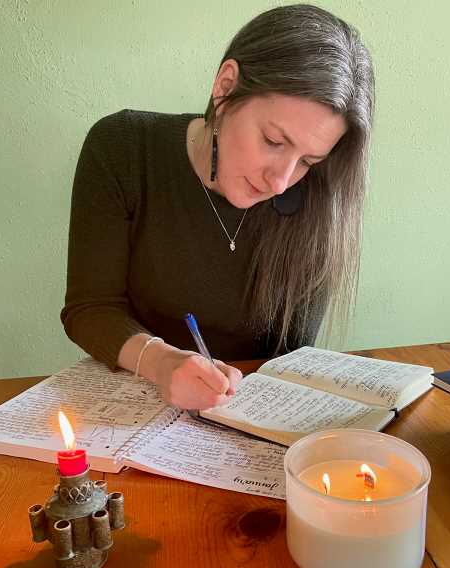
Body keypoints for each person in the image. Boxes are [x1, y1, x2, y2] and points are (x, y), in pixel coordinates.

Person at [61, 4, 375, 411]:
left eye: (307, 161)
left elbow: (292, 355)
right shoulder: (122, 149)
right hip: (131, 402)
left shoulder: (319, 194)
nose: (279, 181)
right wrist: (160, 362)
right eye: (274, 141)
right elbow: (90, 309)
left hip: (246, 415)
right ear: (225, 87)